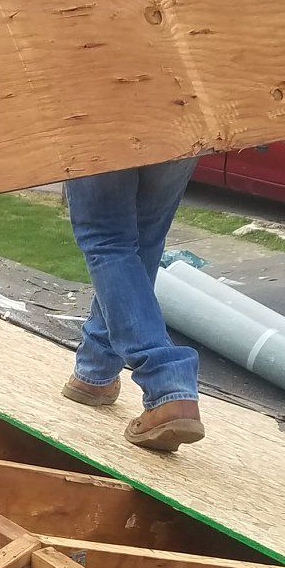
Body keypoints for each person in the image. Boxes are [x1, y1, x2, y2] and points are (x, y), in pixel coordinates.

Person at [62, 160, 204, 451]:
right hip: (182, 118)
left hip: (96, 119)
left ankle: (168, 384)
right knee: (145, 238)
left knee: (105, 237)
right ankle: (95, 370)